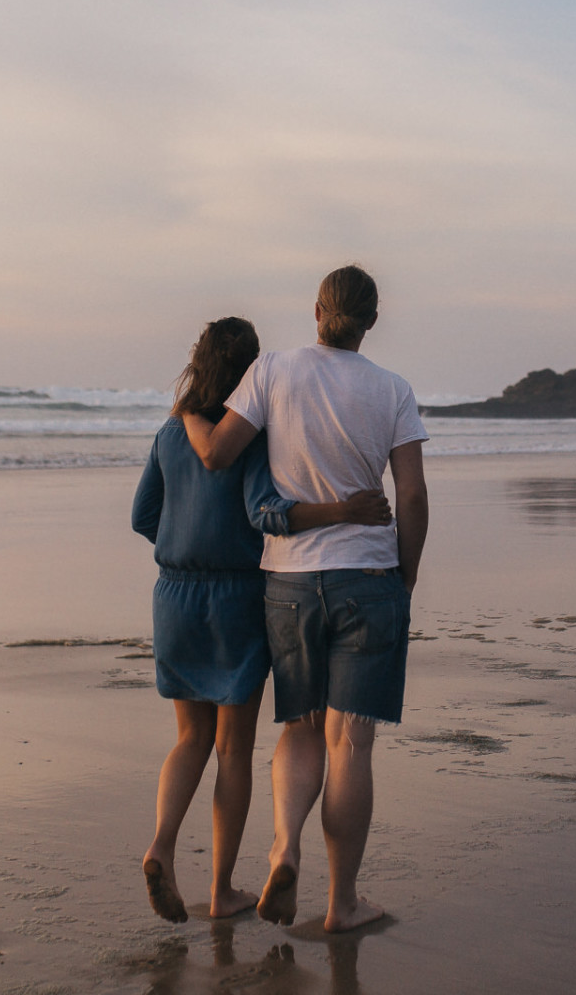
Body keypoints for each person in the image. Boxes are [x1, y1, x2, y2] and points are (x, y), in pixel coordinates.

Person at [183, 265, 429, 934]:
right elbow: (409, 494)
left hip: (288, 582)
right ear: (371, 321)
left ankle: (284, 847)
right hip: (368, 580)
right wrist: (403, 576)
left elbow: (220, 453)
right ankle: (341, 902)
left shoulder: (272, 371)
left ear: (317, 311)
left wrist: (189, 414)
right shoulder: (394, 391)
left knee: (299, 728)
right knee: (351, 745)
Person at [131, 316, 392, 923]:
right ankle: (222, 891)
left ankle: (161, 846)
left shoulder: (172, 432)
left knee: (188, 739)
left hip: (173, 595)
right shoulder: (252, 436)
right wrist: (342, 512)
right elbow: (266, 512)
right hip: (236, 598)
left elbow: (144, 515)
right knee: (233, 751)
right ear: (251, 371)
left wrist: (181, 544)